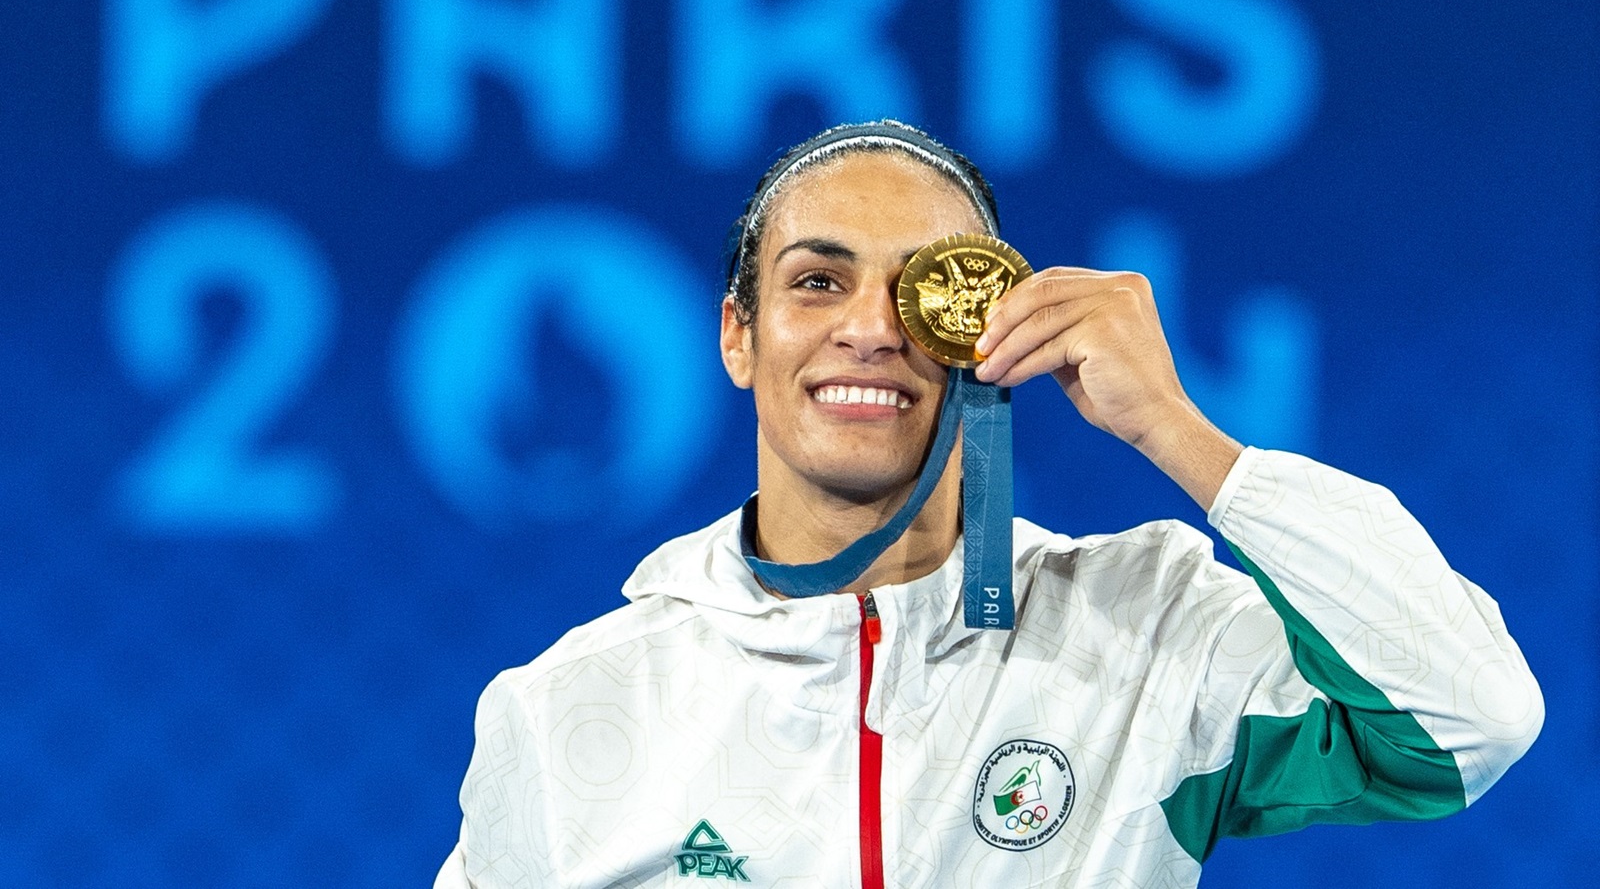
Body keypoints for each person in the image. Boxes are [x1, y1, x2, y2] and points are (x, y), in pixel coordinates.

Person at [435, 121, 1541, 888]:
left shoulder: (1148, 633)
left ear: (980, 334)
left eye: (917, 286)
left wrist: (1181, 433)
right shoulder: (569, 709)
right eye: (816, 281)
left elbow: (1465, 721)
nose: (868, 326)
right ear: (738, 335)